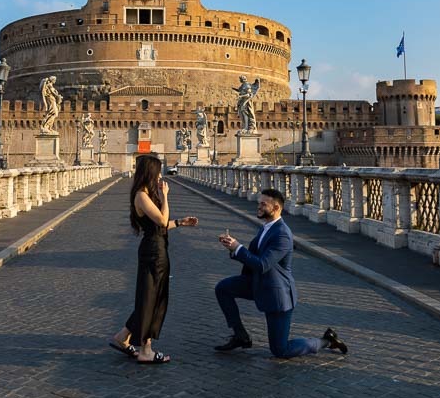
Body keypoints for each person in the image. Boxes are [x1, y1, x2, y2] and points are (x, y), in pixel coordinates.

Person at [215, 188, 348, 359]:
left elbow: (263, 264)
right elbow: (255, 256)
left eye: (263, 204)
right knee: (223, 288)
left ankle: (326, 341)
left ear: (276, 207)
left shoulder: (283, 235)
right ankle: (241, 336)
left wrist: (238, 248)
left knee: (280, 350)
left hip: (276, 294)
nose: (259, 207)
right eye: (259, 203)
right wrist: (233, 248)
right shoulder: (267, 227)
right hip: (258, 283)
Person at [110, 155, 198, 364]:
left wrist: (181, 222)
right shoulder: (141, 195)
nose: (160, 175)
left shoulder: (145, 195)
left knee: (151, 297)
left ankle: (123, 337)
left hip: (156, 248)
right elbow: (161, 219)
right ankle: (145, 350)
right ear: (150, 172)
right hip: (153, 252)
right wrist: (165, 196)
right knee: (152, 300)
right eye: (158, 171)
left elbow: (161, 225)